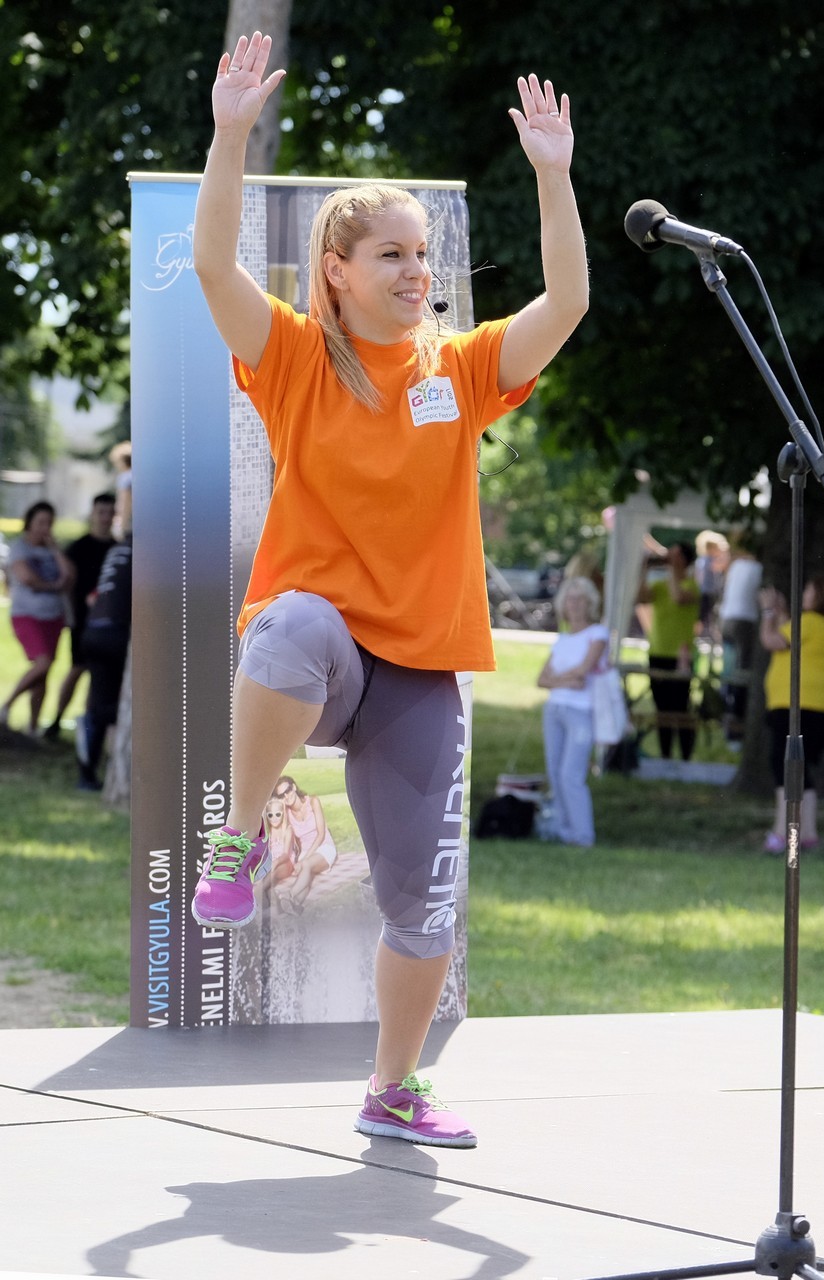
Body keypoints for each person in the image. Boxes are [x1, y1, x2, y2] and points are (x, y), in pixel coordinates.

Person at [189, 30, 588, 1149]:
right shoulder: (292, 358)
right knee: (292, 621)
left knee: (423, 905)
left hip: (418, 670)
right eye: (392, 256)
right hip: (318, 656)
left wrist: (552, 176)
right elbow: (213, 267)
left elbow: (565, 301)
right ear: (337, 270)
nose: (419, 272)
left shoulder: (459, 369)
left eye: (423, 254)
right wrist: (228, 135)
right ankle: (239, 832)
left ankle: (392, 1085)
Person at [759, 572, 824, 853]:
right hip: (820, 709)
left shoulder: (809, 622)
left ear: (819, 596)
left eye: (808, 590)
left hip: (796, 706)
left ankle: (781, 832)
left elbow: (772, 640)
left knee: (784, 765)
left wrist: (768, 612)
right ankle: (807, 833)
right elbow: (789, 633)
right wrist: (782, 613)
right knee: (802, 770)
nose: (804, 594)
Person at [536, 577, 608, 847]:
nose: (574, 605)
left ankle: (582, 835)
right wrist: (565, 680)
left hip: (581, 710)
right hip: (555, 708)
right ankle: (563, 830)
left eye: (580, 599)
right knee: (554, 771)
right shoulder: (563, 639)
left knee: (571, 774)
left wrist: (558, 679)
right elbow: (542, 680)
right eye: (570, 599)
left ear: (589, 603)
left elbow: (584, 671)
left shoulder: (597, 634)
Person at [44, 492, 117, 740]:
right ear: (93, 514)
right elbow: (66, 582)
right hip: (82, 620)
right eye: (101, 512)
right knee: (77, 669)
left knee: (98, 678)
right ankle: (56, 720)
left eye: (110, 513)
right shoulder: (79, 547)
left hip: (106, 623)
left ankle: (89, 728)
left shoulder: (116, 549)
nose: (105, 518)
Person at [0, 502, 73, 734]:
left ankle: (33, 727)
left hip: (54, 616)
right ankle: (7, 705)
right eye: (40, 522)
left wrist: (56, 550)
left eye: (49, 523)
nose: (45, 528)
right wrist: (54, 585)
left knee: (43, 673)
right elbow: (26, 578)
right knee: (43, 663)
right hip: (27, 614)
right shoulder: (19, 548)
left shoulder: (52, 550)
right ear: (29, 523)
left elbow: (70, 576)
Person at [75, 536, 133, 791]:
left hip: (94, 630)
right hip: (117, 633)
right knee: (128, 704)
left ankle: (86, 775)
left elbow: (93, 597)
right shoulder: (149, 548)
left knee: (100, 707)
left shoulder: (117, 549)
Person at [636, 541, 700, 760]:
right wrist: (644, 570)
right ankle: (665, 754)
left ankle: (685, 756)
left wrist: (672, 568)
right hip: (657, 652)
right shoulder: (660, 585)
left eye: (675, 555)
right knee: (661, 707)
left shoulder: (692, 586)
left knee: (680, 707)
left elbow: (678, 597)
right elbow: (641, 598)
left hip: (681, 656)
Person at [717, 532, 763, 744]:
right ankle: (735, 717)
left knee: (729, 668)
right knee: (742, 672)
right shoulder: (758, 569)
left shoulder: (737, 566)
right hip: (744, 620)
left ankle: (726, 709)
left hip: (727, 619)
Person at [273, 775, 338, 912]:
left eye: (288, 791)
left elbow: (321, 834)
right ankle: (296, 906)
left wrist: (304, 860)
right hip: (306, 852)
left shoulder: (313, 801)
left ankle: (289, 895)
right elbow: (284, 836)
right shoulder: (287, 814)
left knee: (306, 865)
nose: (286, 796)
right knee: (306, 874)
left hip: (324, 846)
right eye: (282, 795)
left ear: (294, 787)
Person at [109, 441, 133, 539]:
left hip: (129, 524)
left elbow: (125, 502)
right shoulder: (137, 476)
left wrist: (122, 526)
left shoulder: (125, 478)